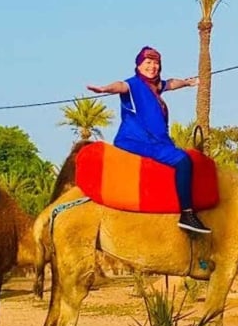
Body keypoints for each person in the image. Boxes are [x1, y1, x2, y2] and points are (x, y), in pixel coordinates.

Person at [86, 47, 206, 234]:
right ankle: (187, 214)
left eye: (156, 63)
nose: (152, 67)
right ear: (139, 65)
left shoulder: (156, 86)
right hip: (137, 142)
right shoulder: (133, 85)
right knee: (183, 161)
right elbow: (120, 86)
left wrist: (187, 83)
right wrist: (104, 89)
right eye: (147, 63)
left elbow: (170, 83)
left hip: (156, 142)